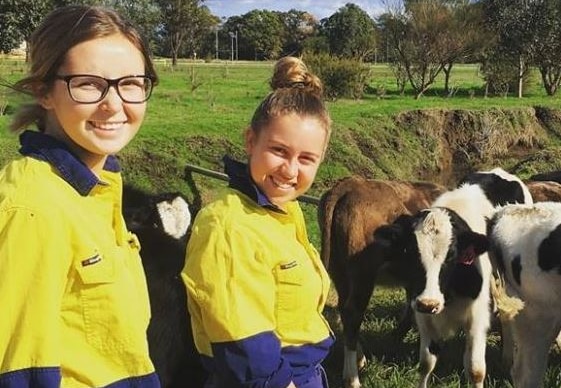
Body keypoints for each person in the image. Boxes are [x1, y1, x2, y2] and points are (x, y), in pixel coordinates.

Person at [0, 5, 160, 388]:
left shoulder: (96, 191)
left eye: (132, 83)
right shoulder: (32, 206)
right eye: (88, 83)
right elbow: (18, 372)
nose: (114, 103)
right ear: (44, 92)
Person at [181, 56, 334, 388]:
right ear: (250, 141)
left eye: (307, 158)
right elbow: (245, 344)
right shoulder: (228, 225)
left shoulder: (283, 210)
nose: (290, 171)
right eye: (279, 151)